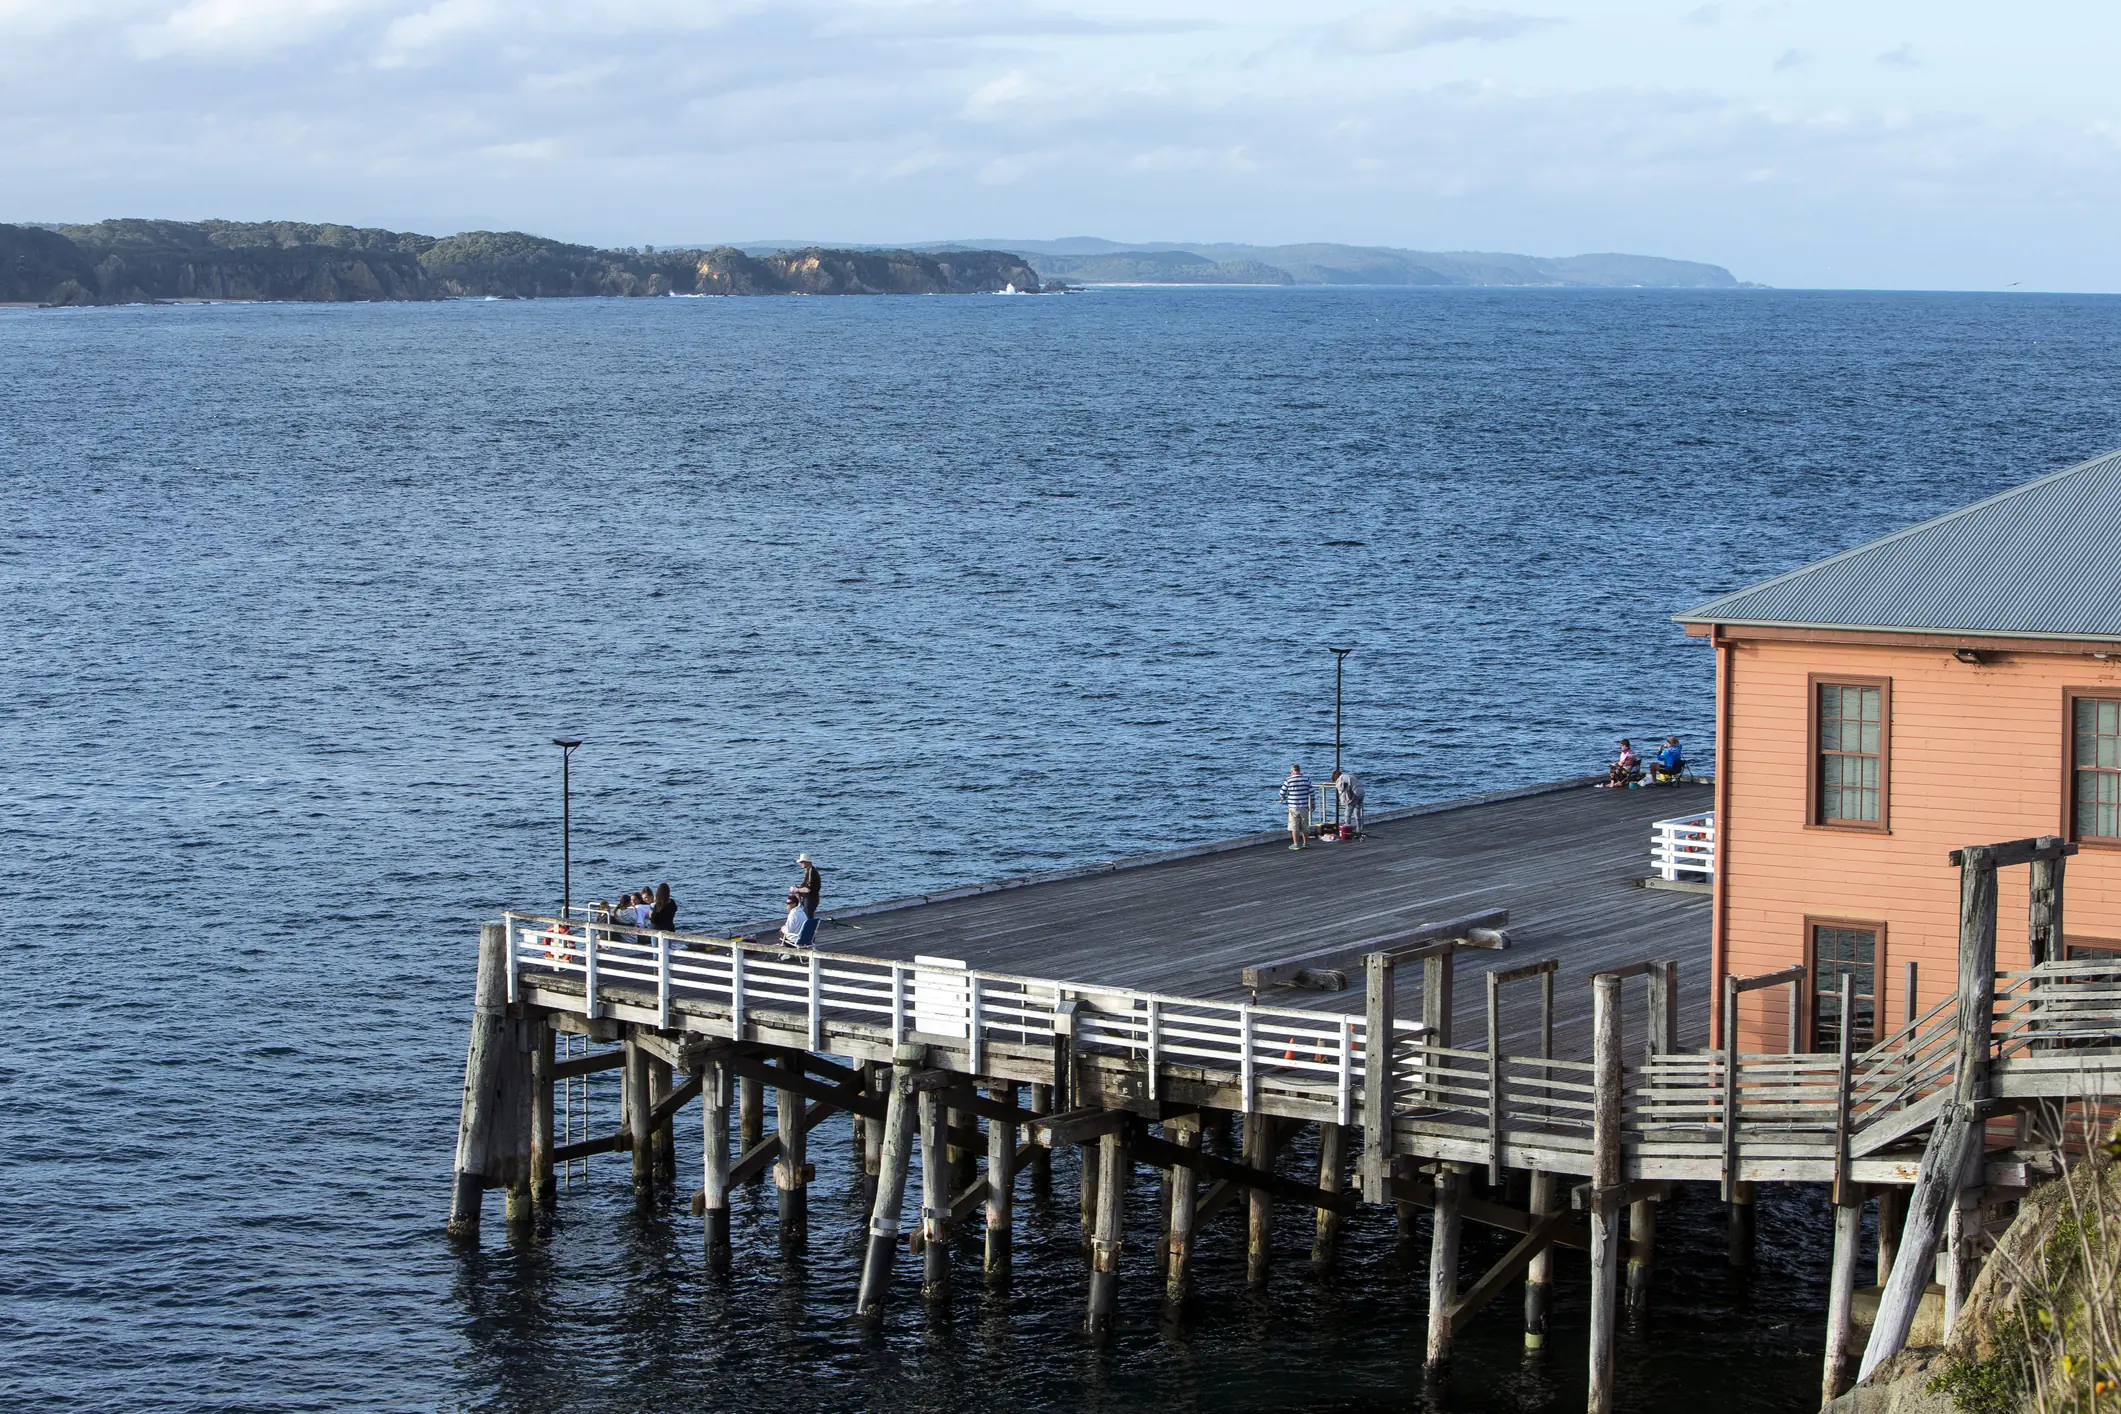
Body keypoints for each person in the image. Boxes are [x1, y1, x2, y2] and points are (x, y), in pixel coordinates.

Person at [1280, 763, 1314, 850]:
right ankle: (1305, 843)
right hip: (1304, 806)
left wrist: (1283, 798)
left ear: (1292, 771)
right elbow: (1312, 793)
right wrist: (1313, 804)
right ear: (1299, 770)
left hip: (1293, 807)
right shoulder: (1307, 779)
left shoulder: (1288, 780)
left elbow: (1282, 793)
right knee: (1304, 825)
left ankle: (1296, 844)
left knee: (1294, 826)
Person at [794, 853, 822, 948]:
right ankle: (808, 940)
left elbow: (808, 889)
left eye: (802, 862)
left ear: (806, 862)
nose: (801, 864)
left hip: (810, 899)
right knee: (808, 919)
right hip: (809, 899)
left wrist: (797, 890)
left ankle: (808, 941)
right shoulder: (809, 871)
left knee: (808, 920)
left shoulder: (811, 872)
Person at [1333, 766, 1365, 838]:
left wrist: (1345, 801)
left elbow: (1341, 790)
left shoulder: (1340, 779)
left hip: (1355, 793)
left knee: (1348, 813)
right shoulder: (1348, 776)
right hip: (1361, 791)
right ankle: (1359, 829)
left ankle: (1347, 830)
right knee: (1357, 811)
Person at [779, 887, 810, 953]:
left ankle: (788, 952)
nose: (787, 905)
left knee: (781, 932)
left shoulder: (792, 914)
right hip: (804, 937)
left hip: (796, 938)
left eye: (789, 903)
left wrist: (782, 928)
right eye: (786, 903)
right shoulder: (802, 911)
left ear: (794, 904)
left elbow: (789, 930)